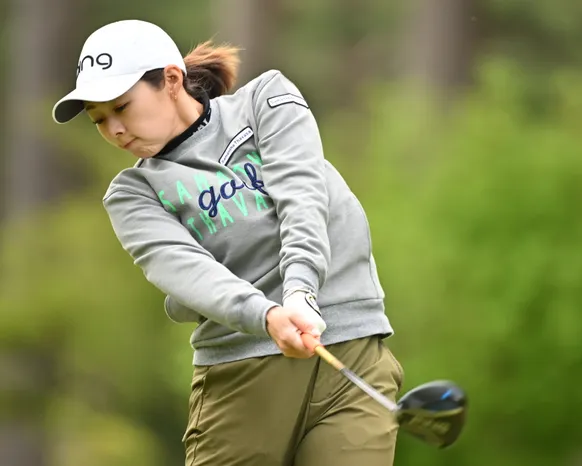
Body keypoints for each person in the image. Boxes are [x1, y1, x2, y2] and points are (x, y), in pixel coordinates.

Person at [52, 19, 404, 466]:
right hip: (241, 377)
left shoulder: (265, 101)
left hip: (353, 351)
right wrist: (268, 315)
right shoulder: (132, 194)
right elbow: (187, 272)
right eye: (99, 119)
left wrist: (300, 291)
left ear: (172, 79)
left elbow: (302, 196)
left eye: (122, 107)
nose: (115, 129)